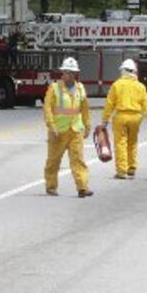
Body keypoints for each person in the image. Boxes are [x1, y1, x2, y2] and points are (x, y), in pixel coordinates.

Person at [43, 57, 93, 198]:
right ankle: (51, 187)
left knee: (78, 160)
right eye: (67, 72)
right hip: (58, 131)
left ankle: (82, 187)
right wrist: (51, 126)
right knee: (53, 161)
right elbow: (47, 108)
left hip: (75, 130)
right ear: (62, 73)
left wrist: (87, 125)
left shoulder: (80, 88)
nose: (70, 75)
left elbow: (84, 109)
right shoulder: (54, 88)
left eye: (72, 72)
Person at [101, 59, 147, 179]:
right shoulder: (140, 86)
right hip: (136, 118)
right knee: (132, 142)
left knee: (120, 143)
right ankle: (132, 168)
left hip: (121, 117)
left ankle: (121, 171)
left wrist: (105, 120)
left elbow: (110, 104)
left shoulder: (117, 85)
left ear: (124, 71)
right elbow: (146, 105)